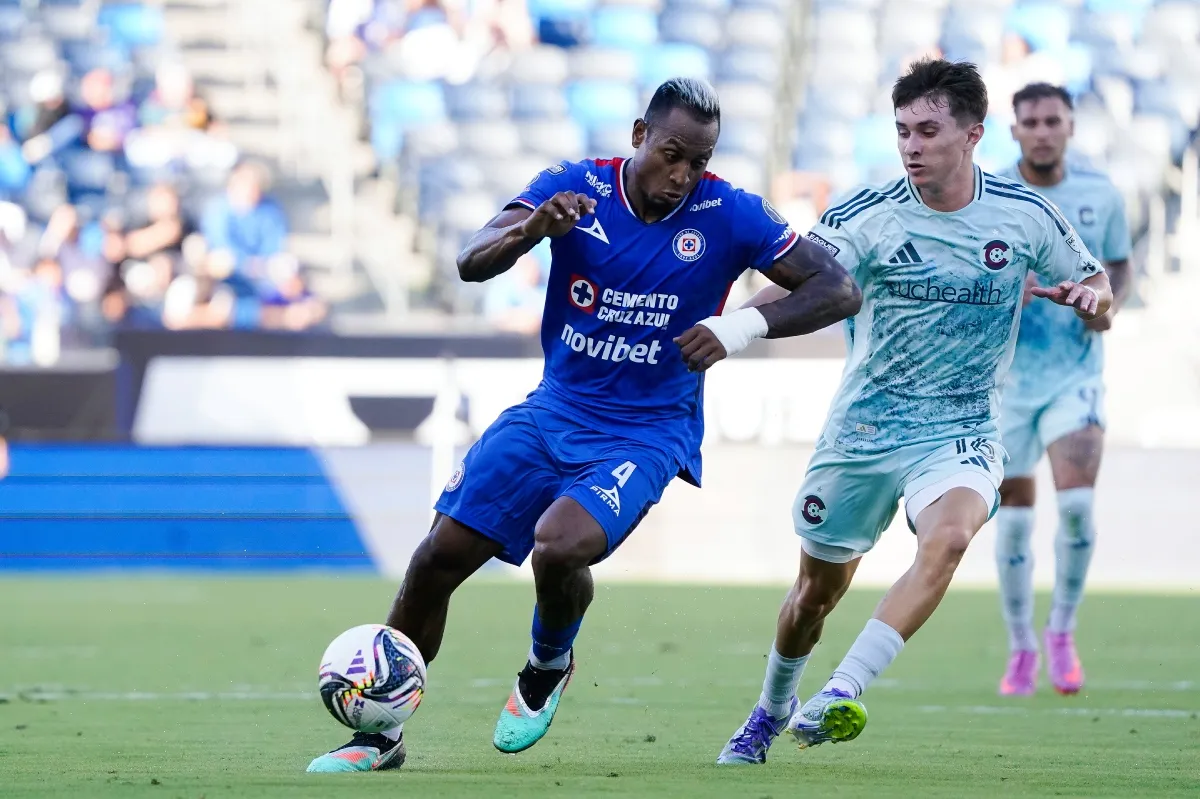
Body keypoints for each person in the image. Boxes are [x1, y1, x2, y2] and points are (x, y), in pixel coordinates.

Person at [305, 76, 863, 773]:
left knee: (559, 544)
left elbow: (838, 288)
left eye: (699, 159)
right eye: (672, 154)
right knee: (433, 561)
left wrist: (740, 325)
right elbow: (470, 261)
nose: (683, 175)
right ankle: (378, 739)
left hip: (648, 430)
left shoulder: (731, 213)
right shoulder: (573, 187)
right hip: (552, 410)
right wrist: (531, 230)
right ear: (638, 137)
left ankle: (547, 662)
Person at [715, 59, 1112, 766]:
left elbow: (1095, 279)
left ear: (972, 135)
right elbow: (801, 283)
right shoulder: (866, 214)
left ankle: (841, 689)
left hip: (959, 426)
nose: (911, 145)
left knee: (952, 536)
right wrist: (729, 329)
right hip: (864, 428)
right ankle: (770, 707)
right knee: (813, 595)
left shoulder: (1025, 216)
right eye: (902, 130)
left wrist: (1094, 299)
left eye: (928, 130)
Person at [992, 83, 1131, 697]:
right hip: (1004, 384)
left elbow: (1119, 267)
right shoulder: (991, 194)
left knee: (1075, 508)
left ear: (1070, 127)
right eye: (1031, 122)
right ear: (1014, 130)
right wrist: (1002, 289)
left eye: (1053, 120)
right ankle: (1021, 644)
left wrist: (1103, 307)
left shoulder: (1100, 194)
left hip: (1074, 373)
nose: (1043, 130)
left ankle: (1062, 632)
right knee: (1015, 524)